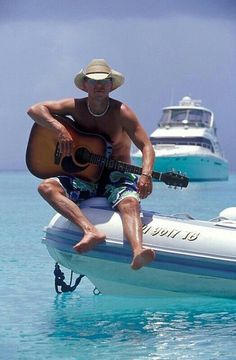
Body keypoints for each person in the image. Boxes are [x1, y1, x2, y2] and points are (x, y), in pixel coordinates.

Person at [27, 58, 155, 270]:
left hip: (117, 174)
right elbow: (34, 110)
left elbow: (147, 146)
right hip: (85, 176)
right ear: (84, 84)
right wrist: (60, 130)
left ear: (111, 85)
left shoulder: (121, 111)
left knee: (130, 203)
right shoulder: (76, 107)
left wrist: (146, 174)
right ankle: (90, 231)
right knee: (46, 187)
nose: (99, 86)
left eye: (105, 81)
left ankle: (137, 251)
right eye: (93, 81)